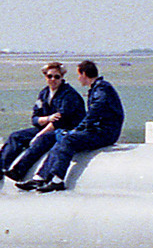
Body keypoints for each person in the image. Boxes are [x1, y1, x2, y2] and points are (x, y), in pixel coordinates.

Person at [17, 59, 123, 192]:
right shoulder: (97, 89)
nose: (79, 79)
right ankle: (40, 177)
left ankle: (58, 179)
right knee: (57, 137)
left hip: (105, 133)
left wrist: (78, 130)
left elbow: (96, 111)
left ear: (84, 74)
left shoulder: (102, 88)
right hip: (97, 130)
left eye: (79, 75)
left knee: (68, 140)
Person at [0, 61, 84, 181]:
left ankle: (19, 170)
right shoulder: (44, 93)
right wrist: (47, 119)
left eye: (57, 77)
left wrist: (39, 134)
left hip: (64, 130)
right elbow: (35, 118)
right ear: (45, 77)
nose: (53, 79)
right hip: (47, 126)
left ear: (62, 78)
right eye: (49, 76)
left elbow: (59, 121)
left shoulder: (68, 95)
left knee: (41, 140)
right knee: (16, 136)